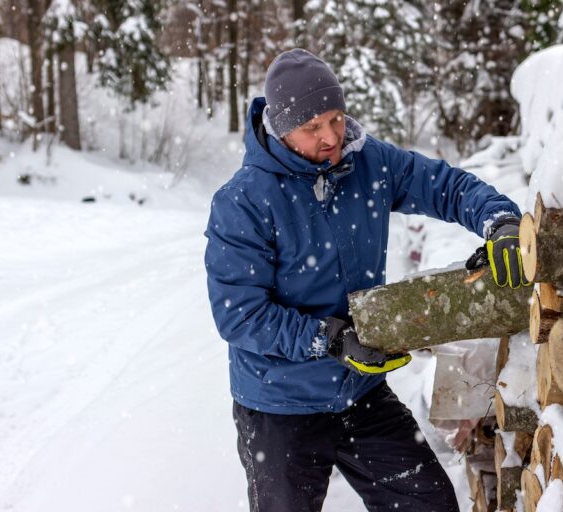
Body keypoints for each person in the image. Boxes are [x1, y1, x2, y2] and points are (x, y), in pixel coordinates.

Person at [204, 48, 526, 512]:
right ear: (279, 128)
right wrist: (329, 339)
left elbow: (447, 187)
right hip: (279, 406)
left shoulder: (367, 163)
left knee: (429, 503)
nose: (331, 136)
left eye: (335, 118)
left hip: (360, 393)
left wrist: (500, 221)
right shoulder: (244, 202)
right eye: (312, 128)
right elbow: (240, 316)